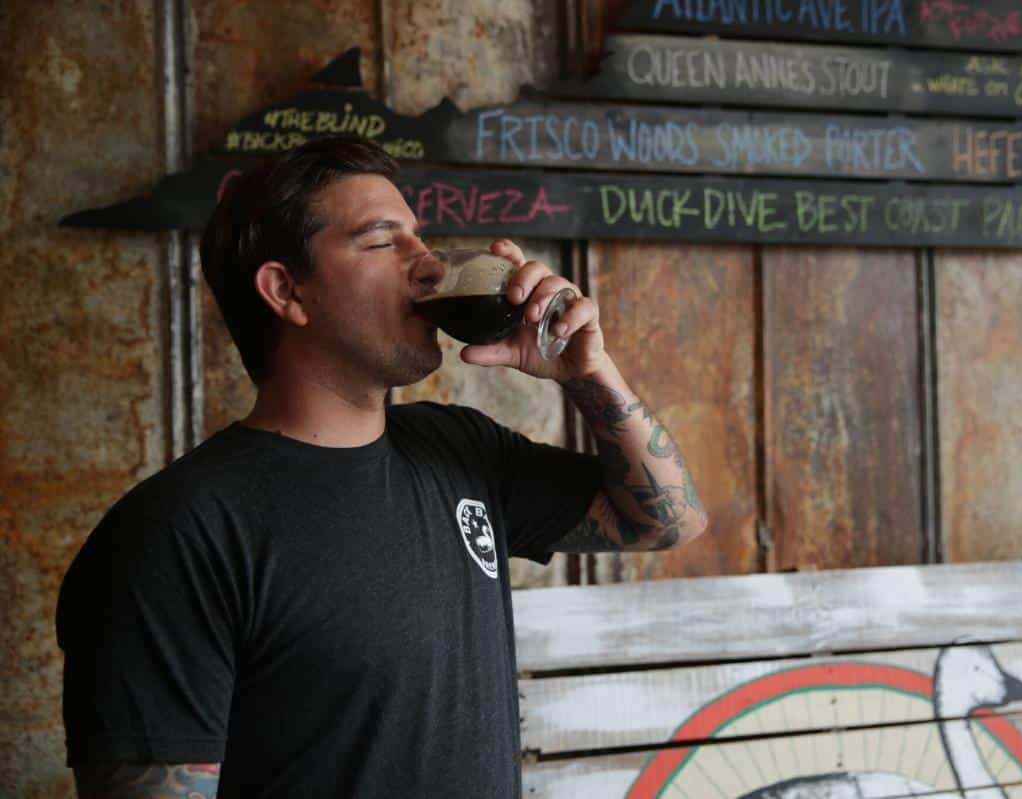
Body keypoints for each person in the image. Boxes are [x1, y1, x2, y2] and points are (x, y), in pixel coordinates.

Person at [55, 135, 708, 798]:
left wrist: (589, 372)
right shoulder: (175, 535)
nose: (428, 266)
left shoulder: (459, 449)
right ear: (287, 291)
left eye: (418, 238)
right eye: (380, 239)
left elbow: (665, 522)